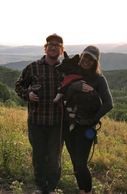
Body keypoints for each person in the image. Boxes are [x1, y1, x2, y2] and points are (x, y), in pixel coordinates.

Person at [15, 34, 64, 194]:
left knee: (54, 158)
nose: (53, 46)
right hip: (36, 121)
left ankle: (51, 187)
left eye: (57, 44)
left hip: (57, 122)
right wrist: (27, 94)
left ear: (61, 50)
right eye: (50, 44)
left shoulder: (64, 70)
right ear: (45, 47)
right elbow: (18, 85)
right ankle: (41, 187)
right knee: (38, 157)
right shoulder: (33, 67)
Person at [63, 45, 113, 194]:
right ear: (81, 56)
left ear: (95, 62)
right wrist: (73, 88)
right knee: (75, 162)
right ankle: (82, 190)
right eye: (85, 56)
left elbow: (109, 104)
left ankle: (87, 191)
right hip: (69, 125)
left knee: (80, 163)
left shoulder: (99, 79)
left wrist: (92, 120)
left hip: (86, 129)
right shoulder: (71, 72)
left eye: (91, 59)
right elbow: (63, 94)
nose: (87, 60)